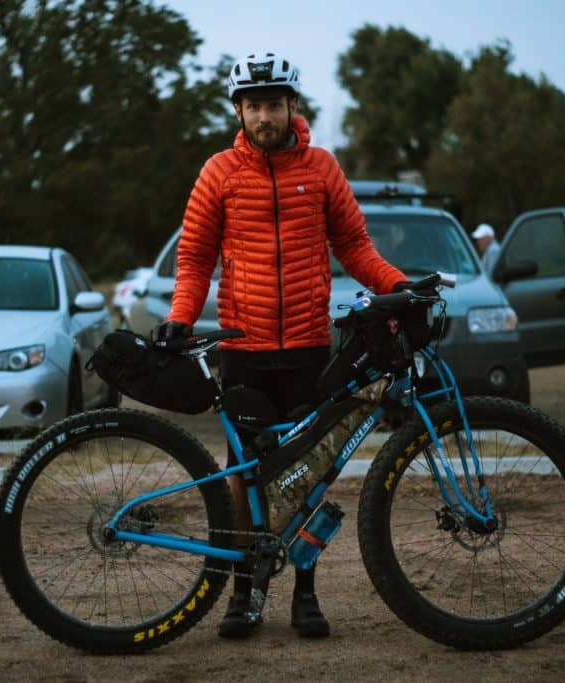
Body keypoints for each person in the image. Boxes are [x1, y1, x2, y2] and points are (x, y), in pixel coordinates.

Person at [154, 51, 407, 640]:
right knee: (245, 477)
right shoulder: (219, 172)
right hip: (243, 348)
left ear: (292, 106)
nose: (264, 115)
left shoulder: (320, 168)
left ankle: (306, 593)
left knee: (309, 475)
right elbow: (194, 258)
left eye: (274, 104)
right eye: (254, 106)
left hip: (309, 349)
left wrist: (399, 287)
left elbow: (355, 247)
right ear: (238, 111)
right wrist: (179, 319)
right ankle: (244, 595)